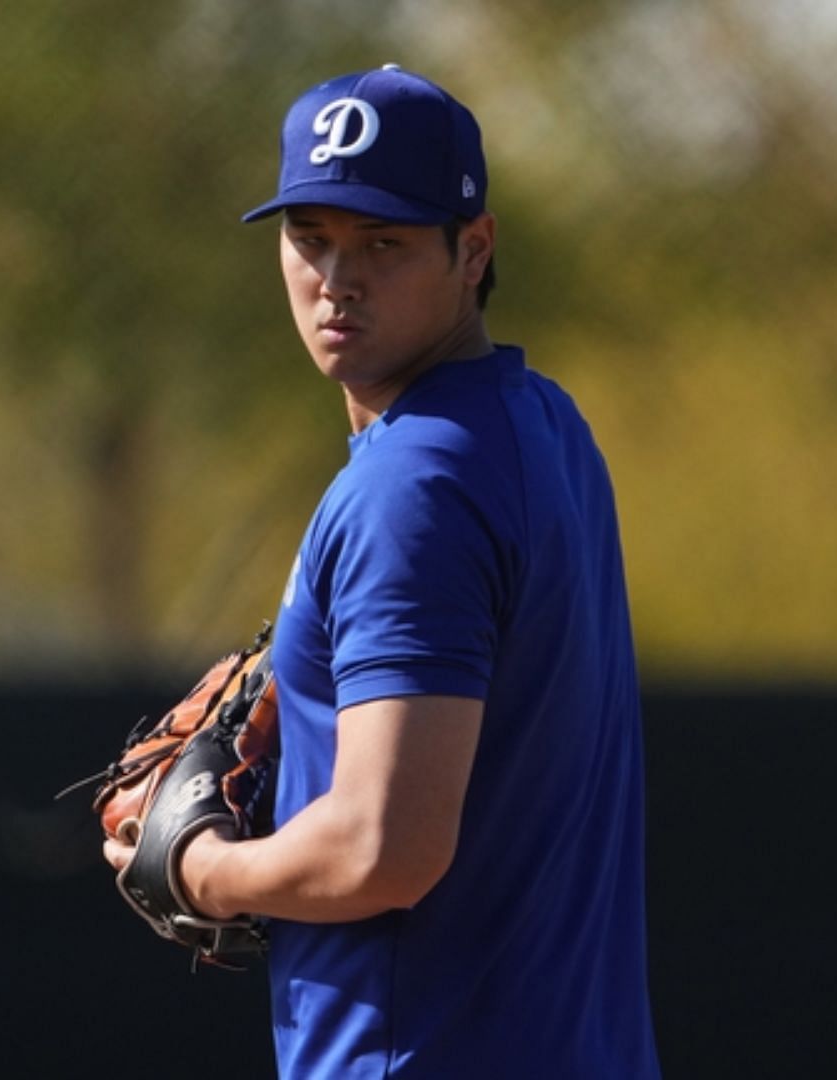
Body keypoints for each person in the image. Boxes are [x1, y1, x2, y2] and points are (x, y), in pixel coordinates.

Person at [104, 65, 659, 1077]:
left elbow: (384, 849)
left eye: (384, 242)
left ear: (474, 249)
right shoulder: (546, 428)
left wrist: (204, 868)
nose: (337, 276)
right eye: (309, 237)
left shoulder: (412, 485)